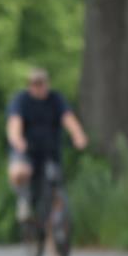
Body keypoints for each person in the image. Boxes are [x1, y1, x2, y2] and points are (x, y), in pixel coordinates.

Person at [6, 68, 88, 222]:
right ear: (29, 85)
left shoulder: (55, 99)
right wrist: (18, 140)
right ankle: (24, 200)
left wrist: (78, 135)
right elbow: (14, 124)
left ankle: (58, 225)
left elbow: (68, 118)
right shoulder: (21, 100)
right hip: (26, 150)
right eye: (35, 84)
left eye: (41, 83)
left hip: (49, 151)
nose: (38, 87)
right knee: (18, 172)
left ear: (47, 84)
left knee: (55, 181)